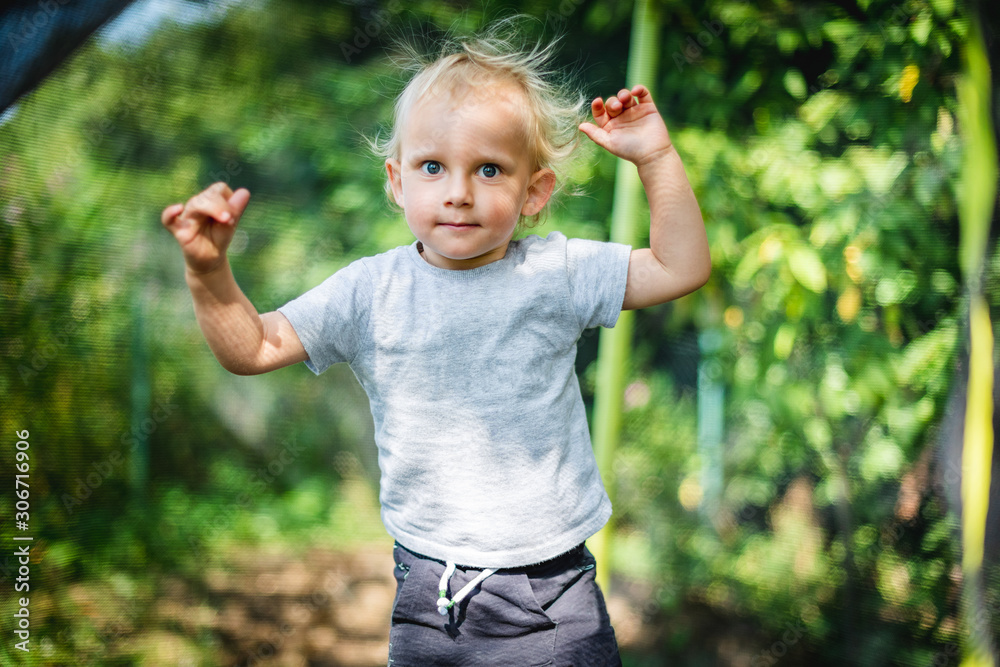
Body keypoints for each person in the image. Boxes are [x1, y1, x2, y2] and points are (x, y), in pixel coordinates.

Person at [161, 22, 708, 667]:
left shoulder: (554, 274)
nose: (458, 191)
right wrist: (207, 272)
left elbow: (680, 268)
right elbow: (251, 349)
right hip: (429, 600)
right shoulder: (370, 291)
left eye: (488, 169)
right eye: (432, 166)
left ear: (534, 191)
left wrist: (655, 157)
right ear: (397, 182)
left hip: (553, 597)